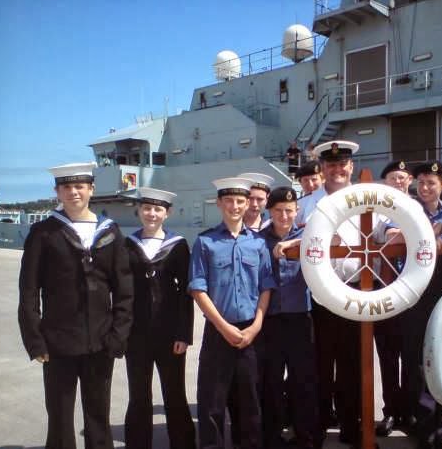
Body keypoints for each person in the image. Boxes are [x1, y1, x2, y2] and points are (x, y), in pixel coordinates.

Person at [18, 162, 133, 449]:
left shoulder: (110, 232)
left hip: (101, 342)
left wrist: (117, 337)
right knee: (59, 417)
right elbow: (29, 291)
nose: (73, 192)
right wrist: (35, 341)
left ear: (91, 189)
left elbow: (124, 291)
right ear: (57, 191)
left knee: (98, 416)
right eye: (66, 187)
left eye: (79, 186)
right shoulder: (43, 233)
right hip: (57, 343)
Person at [297, 140, 388, 445]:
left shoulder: (370, 199)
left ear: (351, 167)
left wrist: (396, 232)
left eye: (342, 164)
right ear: (322, 169)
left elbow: (387, 228)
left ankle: (353, 426)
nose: (337, 169)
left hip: (358, 290)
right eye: (331, 165)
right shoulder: (308, 204)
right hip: (319, 295)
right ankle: (319, 425)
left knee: (355, 364)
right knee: (319, 364)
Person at [189, 177, 276, 449]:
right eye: (229, 201)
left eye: (240, 201)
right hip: (219, 330)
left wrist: (257, 325)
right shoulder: (205, 242)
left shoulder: (258, 244)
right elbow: (198, 289)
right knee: (212, 401)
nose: (235, 206)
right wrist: (223, 327)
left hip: (251, 329)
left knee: (249, 400)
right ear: (219, 203)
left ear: (248, 203)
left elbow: (266, 286)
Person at [124, 187, 195, 449]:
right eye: (146, 208)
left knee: (174, 394)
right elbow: (121, 292)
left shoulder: (177, 246)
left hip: (169, 335)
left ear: (167, 213)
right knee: (138, 396)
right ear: (139, 210)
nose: (151, 214)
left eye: (158, 209)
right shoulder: (128, 245)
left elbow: (187, 294)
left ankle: (184, 444)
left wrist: (183, 334)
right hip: (137, 335)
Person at [259, 186, 322, 449]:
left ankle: (307, 436)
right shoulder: (259, 240)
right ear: (269, 212)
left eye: (289, 210)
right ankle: (272, 437)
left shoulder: (310, 236)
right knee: (270, 381)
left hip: (300, 318)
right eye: (278, 211)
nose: (284, 216)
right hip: (270, 320)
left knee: (303, 380)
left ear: (297, 211)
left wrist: (296, 243)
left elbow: (335, 242)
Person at [405, 160, 442, 449]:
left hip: (441, 295)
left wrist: (431, 237)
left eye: (431, 183)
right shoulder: (407, 212)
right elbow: (395, 235)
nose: (424, 188)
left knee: (439, 360)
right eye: (421, 183)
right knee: (415, 362)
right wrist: (431, 234)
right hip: (413, 294)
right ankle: (423, 424)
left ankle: (439, 425)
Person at [373, 160, 415, 437]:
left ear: (409, 179)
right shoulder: (377, 212)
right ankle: (390, 411)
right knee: (388, 357)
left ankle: (410, 411)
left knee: (412, 358)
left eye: (401, 177)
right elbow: (385, 235)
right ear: (385, 183)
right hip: (384, 291)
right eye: (392, 178)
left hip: (414, 294)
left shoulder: (420, 208)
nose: (397, 182)